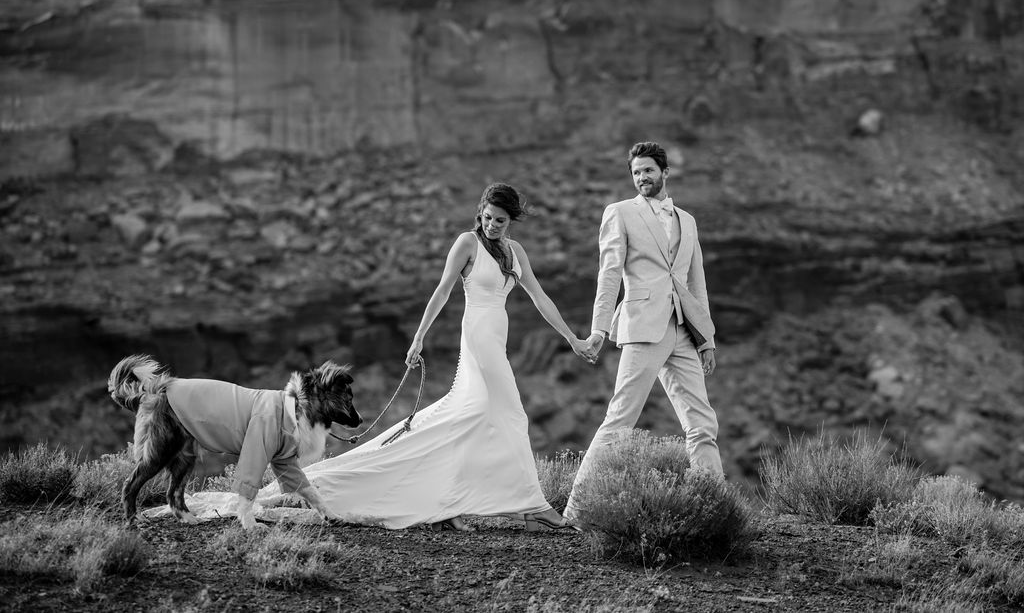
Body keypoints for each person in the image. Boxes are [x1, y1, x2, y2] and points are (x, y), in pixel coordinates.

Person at [158, 183, 590, 531]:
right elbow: (441, 291)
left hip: (498, 336)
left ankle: (457, 496)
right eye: (488, 218)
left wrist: (573, 339)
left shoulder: (516, 253)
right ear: (480, 213)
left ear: (512, 221)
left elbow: (539, 296)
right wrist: (418, 337)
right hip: (477, 338)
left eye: (501, 220)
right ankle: (531, 504)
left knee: (472, 418)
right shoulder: (467, 243)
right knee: (511, 414)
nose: (493, 225)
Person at [563, 141, 724, 526]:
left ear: (665, 172)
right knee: (620, 419)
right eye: (636, 173)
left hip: (683, 330)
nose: (642, 178)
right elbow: (609, 274)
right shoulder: (619, 213)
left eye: (648, 171)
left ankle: (716, 507)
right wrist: (599, 328)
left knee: (702, 423)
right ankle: (576, 511)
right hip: (642, 327)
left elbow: (695, 284)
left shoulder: (687, 220)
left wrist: (707, 338)